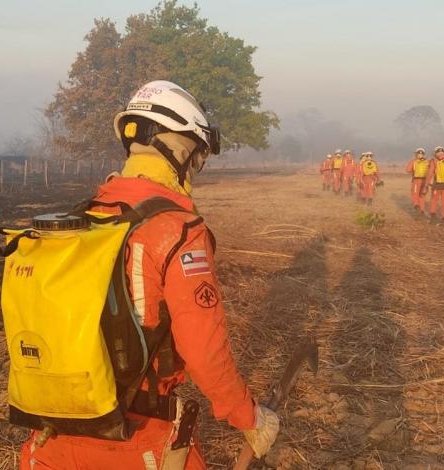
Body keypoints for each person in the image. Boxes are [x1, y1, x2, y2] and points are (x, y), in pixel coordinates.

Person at [19, 80, 279, 469]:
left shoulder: (83, 217)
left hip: (49, 441)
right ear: (180, 150)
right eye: (197, 158)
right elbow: (205, 353)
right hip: (135, 441)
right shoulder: (177, 230)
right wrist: (250, 418)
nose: (195, 169)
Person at [425, 146, 444, 224]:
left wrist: (426, 184)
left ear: (435, 153)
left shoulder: (433, 160)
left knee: (434, 200)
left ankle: (433, 216)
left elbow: (430, 173)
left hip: (437, 184)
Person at [403, 148, 429, 215]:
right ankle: (422, 209)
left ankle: (416, 206)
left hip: (416, 180)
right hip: (425, 180)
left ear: (416, 154)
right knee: (422, 195)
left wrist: (413, 170)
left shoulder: (414, 161)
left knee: (415, 194)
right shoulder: (427, 162)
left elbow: (407, 170)